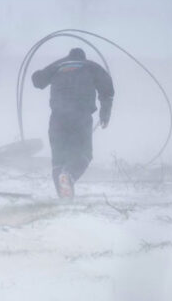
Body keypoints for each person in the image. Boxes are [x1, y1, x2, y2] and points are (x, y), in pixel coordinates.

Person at [32, 47, 114, 198]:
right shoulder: (91, 66)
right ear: (83, 57)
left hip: (57, 118)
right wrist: (105, 115)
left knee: (58, 159)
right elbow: (107, 90)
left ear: (68, 57)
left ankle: (65, 199)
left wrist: (37, 74)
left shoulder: (58, 66)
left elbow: (38, 81)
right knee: (84, 154)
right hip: (81, 117)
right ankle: (69, 175)